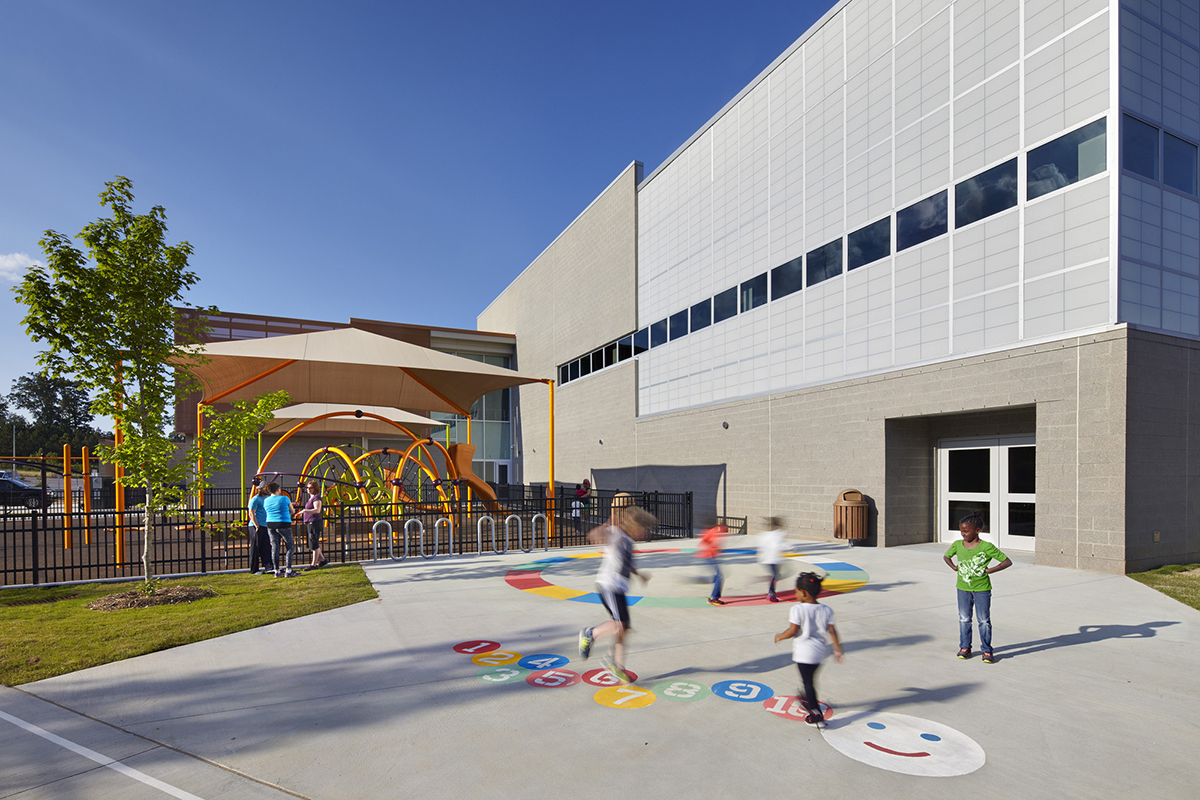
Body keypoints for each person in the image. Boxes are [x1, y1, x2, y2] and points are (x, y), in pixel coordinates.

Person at [577, 493, 655, 684]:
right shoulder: (616, 533)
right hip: (608, 585)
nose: (643, 534)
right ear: (633, 525)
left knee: (624, 627)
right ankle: (590, 634)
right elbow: (593, 535)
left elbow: (627, 563)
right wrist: (605, 526)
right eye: (642, 530)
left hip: (618, 588)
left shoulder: (628, 541)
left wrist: (639, 574)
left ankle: (617, 666)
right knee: (620, 625)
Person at [774, 571, 843, 727]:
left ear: (803, 593)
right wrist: (837, 649)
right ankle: (807, 697)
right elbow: (832, 631)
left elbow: (792, 631)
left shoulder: (797, 609)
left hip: (804, 654)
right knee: (810, 680)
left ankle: (815, 712)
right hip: (820, 654)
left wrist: (779, 636)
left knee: (808, 683)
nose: (795, 594)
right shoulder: (826, 609)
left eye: (796, 591)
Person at [943, 510, 1012, 663]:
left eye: (966, 531)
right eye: (961, 531)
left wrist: (990, 570)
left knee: (984, 620)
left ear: (978, 531)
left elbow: (1007, 561)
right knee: (964, 619)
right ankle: (965, 647)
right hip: (963, 588)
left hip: (982, 589)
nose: (963, 534)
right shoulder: (957, 545)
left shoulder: (986, 547)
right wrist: (954, 567)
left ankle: (987, 650)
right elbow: (946, 556)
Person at [264, 482, 297, 577]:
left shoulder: (266, 500)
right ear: (278, 489)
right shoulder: (284, 498)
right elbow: (293, 511)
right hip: (283, 523)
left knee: (275, 547)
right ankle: (288, 570)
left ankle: (276, 571)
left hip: (270, 523)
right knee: (290, 546)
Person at [299, 481, 327, 571]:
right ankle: (322, 560)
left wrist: (305, 511)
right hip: (309, 522)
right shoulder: (311, 498)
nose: (308, 489)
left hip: (314, 522)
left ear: (315, 488)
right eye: (307, 488)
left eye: (310, 488)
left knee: (314, 543)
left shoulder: (317, 497)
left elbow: (317, 510)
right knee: (313, 542)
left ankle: (313, 564)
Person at [697, 519, 726, 605]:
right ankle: (714, 598)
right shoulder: (713, 531)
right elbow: (704, 541)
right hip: (708, 556)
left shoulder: (718, 533)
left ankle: (708, 580)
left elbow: (715, 544)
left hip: (710, 556)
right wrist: (712, 548)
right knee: (720, 576)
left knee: (718, 576)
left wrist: (717, 549)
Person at [247, 484, 274, 575]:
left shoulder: (267, 498)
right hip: (256, 526)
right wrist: (257, 525)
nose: (268, 490)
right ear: (261, 489)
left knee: (266, 546)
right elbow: (251, 513)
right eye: (266, 489)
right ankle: (254, 569)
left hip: (265, 526)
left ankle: (269, 567)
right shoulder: (255, 499)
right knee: (256, 547)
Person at [758, 516, 786, 602]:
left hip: (767, 559)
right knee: (775, 576)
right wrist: (792, 548)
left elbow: (762, 545)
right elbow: (778, 545)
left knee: (776, 575)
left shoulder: (765, 534)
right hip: (773, 559)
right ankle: (771, 594)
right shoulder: (778, 534)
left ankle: (771, 591)